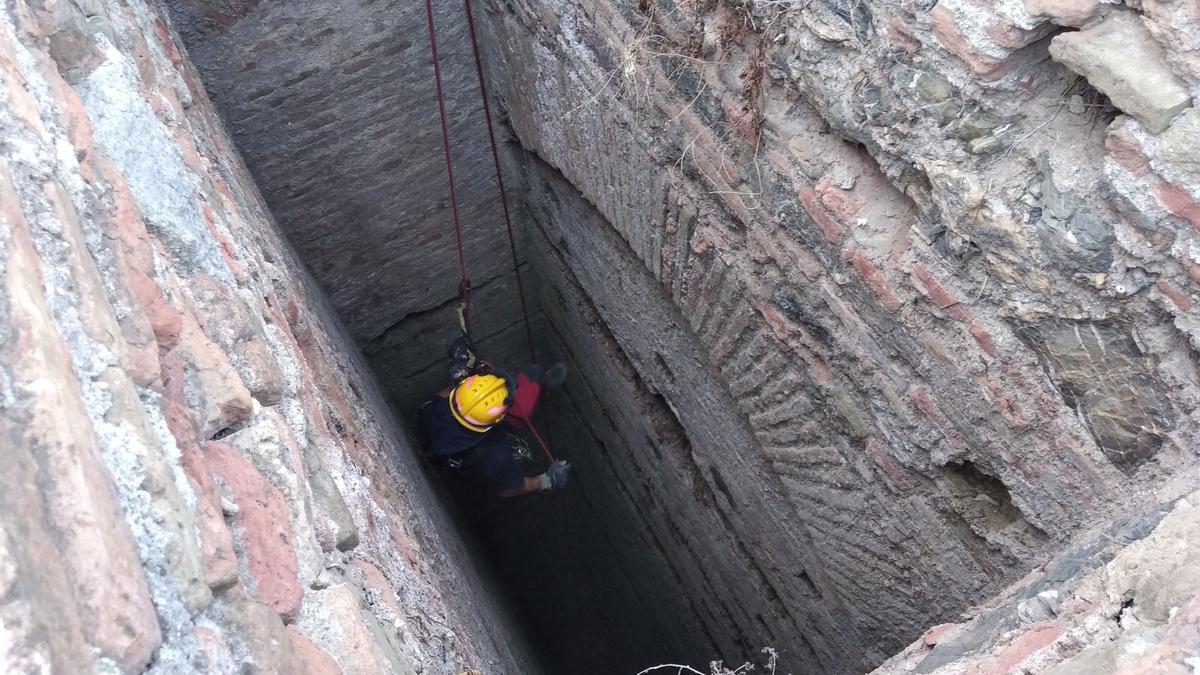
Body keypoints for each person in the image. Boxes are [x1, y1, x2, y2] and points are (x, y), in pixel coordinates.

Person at [418, 329, 571, 497]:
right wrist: (547, 480)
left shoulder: (431, 410)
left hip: (449, 447)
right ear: (498, 420)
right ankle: (541, 388)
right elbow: (510, 489)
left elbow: (453, 397)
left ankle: (539, 386)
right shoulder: (494, 455)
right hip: (476, 455)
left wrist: (461, 366)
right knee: (526, 400)